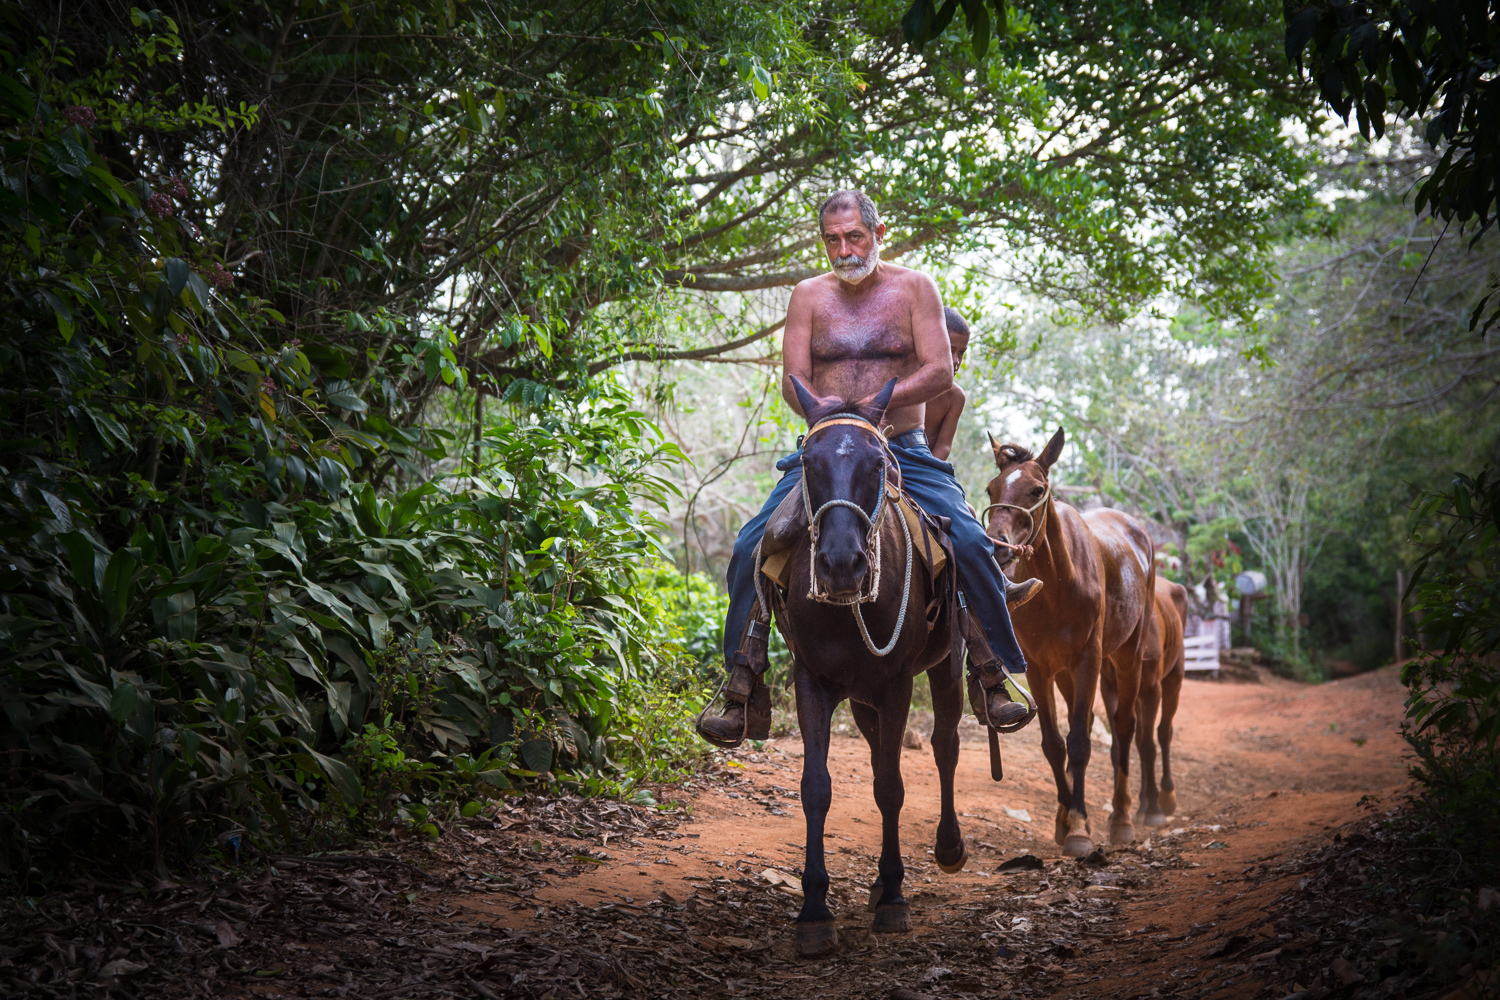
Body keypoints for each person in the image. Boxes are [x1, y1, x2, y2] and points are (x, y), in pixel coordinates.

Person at [696, 190, 1041, 747]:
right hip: (830, 448)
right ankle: (742, 683)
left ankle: (991, 674)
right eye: (832, 240)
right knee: (749, 547)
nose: (844, 249)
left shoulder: (915, 289)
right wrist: (834, 417)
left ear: (879, 233)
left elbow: (938, 372)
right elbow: (794, 379)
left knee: (972, 545)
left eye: (854, 237)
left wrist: (876, 407)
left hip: (902, 446)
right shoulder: (808, 296)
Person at [922, 307, 971, 462]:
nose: (956, 361)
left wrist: (928, 471)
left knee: (952, 488)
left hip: (926, 464)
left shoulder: (955, 397)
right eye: (950, 350)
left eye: (961, 353)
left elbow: (944, 446)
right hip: (886, 457)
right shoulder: (903, 381)